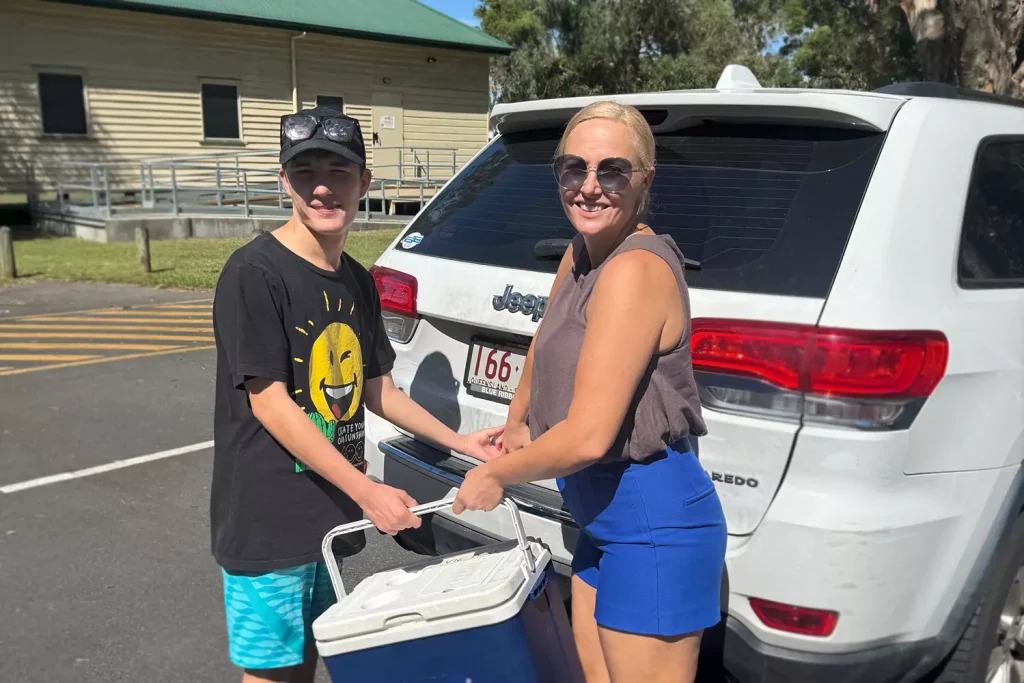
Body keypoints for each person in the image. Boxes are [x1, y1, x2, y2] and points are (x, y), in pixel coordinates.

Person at [210, 105, 504, 683]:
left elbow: (379, 389)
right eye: (305, 172)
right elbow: (269, 402)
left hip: (328, 511)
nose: (323, 188)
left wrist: (461, 440)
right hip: (267, 517)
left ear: (366, 182)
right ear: (283, 180)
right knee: (270, 673)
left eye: (339, 171)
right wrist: (369, 490)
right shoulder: (255, 272)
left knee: (312, 659)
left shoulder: (356, 279)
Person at [452, 101, 727, 683]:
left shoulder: (634, 270)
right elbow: (544, 340)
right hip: (599, 517)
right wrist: (519, 418)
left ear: (644, 180)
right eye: (574, 169)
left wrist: (497, 474)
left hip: (651, 523)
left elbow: (591, 435)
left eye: (612, 171)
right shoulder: (582, 253)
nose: (589, 187)